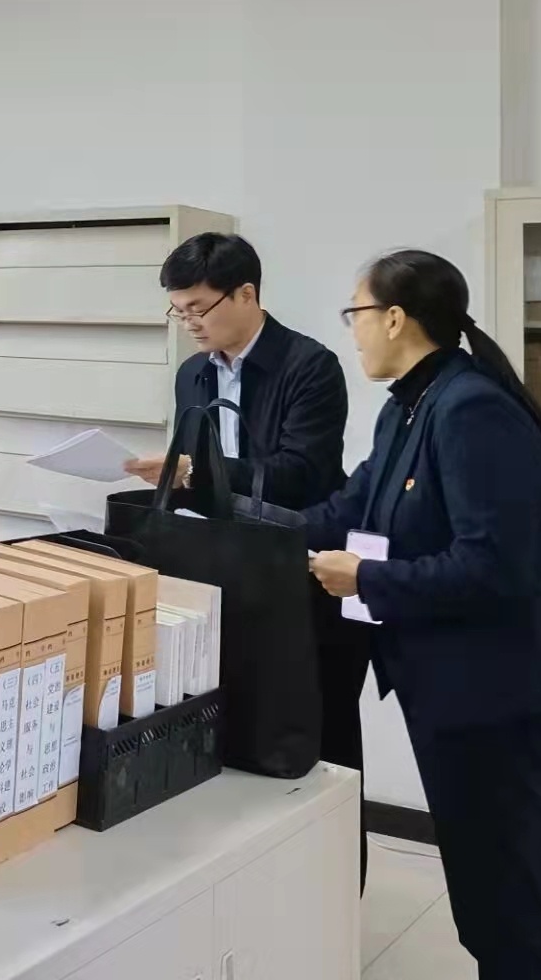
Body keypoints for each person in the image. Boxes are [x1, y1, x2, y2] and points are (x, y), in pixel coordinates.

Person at [305, 250, 541, 980]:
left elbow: (493, 568)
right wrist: (240, 523)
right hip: (450, 687)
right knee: (482, 892)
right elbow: (347, 510)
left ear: (395, 318)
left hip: (495, 692)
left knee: (503, 901)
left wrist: (365, 577)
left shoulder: (470, 410)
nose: (352, 330)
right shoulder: (407, 406)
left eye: (355, 314)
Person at [124, 232, 371, 878]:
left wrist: (194, 471)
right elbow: (202, 481)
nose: (189, 323)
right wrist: (177, 477)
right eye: (178, 310)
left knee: (324, 739)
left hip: (304, 575)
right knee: (233, 731)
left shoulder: (309, 366)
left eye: (199, 308)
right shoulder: (193, 375)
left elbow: (298, 473)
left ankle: (338, 888)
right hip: (224, 575)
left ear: (246, 294)